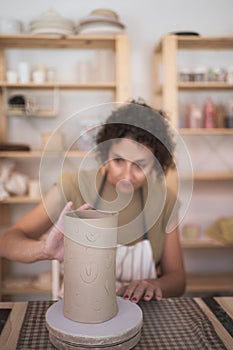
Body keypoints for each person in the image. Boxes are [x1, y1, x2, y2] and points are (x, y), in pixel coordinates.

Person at [0, 100, 185, 303]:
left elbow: (177, 280)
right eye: (118, 161)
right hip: (78, 310)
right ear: (106, 154)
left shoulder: (164, 200)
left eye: (140, 165)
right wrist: (43, 249)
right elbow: (7, 242)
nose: (126, 175)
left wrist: (155, 285)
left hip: (142, 312)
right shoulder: (73, 186)